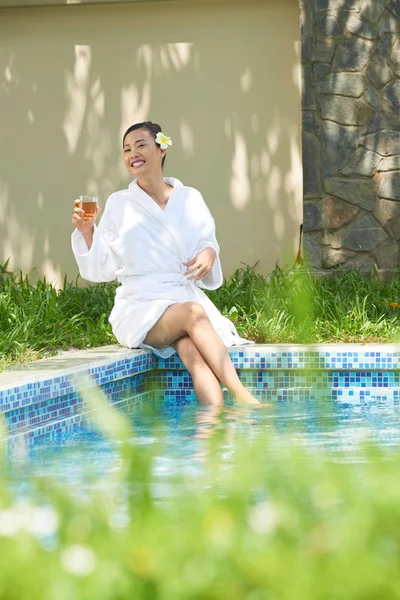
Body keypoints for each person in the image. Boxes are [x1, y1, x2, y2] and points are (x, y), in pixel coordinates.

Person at [71, 121, 260, 407]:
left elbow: (205, 241)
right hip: (140, 306)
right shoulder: (119, 203)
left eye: (141, 145)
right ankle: (243, 397)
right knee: (194, 314)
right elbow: (105, 265)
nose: (132, 153)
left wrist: (209, 252)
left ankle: (212, 427)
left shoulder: (190, 198)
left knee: (195, 356)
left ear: (161, 149)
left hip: (179, 298)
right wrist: (87, 233)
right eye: (126, 149)